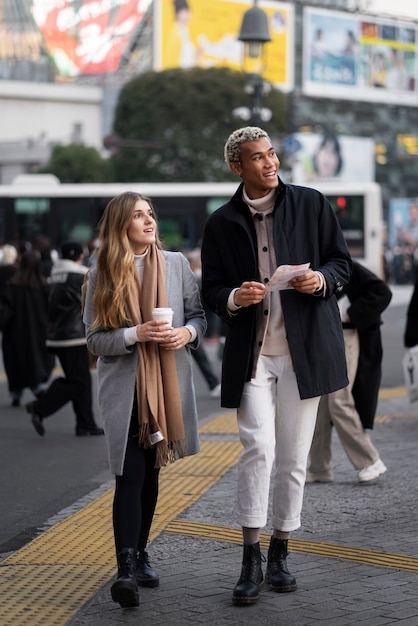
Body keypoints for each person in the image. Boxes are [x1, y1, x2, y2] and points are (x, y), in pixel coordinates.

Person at [201, 126, 352, 605]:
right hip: (252, 354)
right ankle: (250, 556)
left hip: (305, 352)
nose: (269, 163)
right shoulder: (221, 222)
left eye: (271, 154)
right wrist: (233, 297)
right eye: (256, 158)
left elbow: (341, 264)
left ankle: (281, 548)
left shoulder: (311, 203)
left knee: (292, 456)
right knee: (257, 447)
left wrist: (320, 280)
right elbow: (210, 291)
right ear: (236, 167)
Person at [82, 191, 206, 608]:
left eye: (150, 213)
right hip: (125, 391)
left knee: (151, 475)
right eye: (138, 215)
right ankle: (124, 570)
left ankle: (142, 552)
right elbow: (95, 340)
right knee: (128, 476)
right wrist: (137, 334)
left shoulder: (175, 265)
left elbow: (199, 316)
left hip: (165, 388)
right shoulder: (102, 272)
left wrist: (184, 334)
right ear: (122, 225)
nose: (148, 221)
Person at [307, 261, 392, 484]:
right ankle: (319, 467)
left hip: (348, 336)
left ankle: (370, 460)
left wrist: (353, 313)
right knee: (322, 404)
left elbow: (382, 292)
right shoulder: (308, 263)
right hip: (325, 338)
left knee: (338, 400)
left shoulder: (343, 263)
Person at [25, 241, 103, 437]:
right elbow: (88, 305)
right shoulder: (79, 275)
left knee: (79, 379)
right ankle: (40, 406)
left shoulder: (54, 274)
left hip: (56, 336)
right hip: (73, 337)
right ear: (78, 255)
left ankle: (85, 424)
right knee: (79, 382)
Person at [0, 250, 54, 407]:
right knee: (36, 360)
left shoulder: (12, 285)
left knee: (15, 361)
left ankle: (16, 393)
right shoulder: (43, 285)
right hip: (39, 331)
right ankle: (37, 387)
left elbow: (6, 313)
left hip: (15, 333)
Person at [185, 250, 221, 397]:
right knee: (200, 357)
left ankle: (214, 384)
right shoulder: (192, 276)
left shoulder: (194, 277)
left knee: (200, 356)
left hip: (188, 326)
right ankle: (214, 384)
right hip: (185, 325)